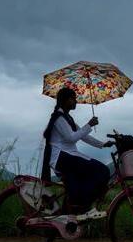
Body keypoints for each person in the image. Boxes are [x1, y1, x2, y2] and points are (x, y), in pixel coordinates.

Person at [42, 87, 115, 215]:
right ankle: (83, 205)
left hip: (68, 156)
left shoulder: (67, 118)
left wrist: (102, 144)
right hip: (62, 157)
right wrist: (89, 125)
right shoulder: (59, 118)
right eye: (73, 99)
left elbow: (84, 136)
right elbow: (71, 138)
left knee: (89, 176)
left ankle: (73, 208)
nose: (76, 101)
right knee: (102, 170)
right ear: (65, 100)